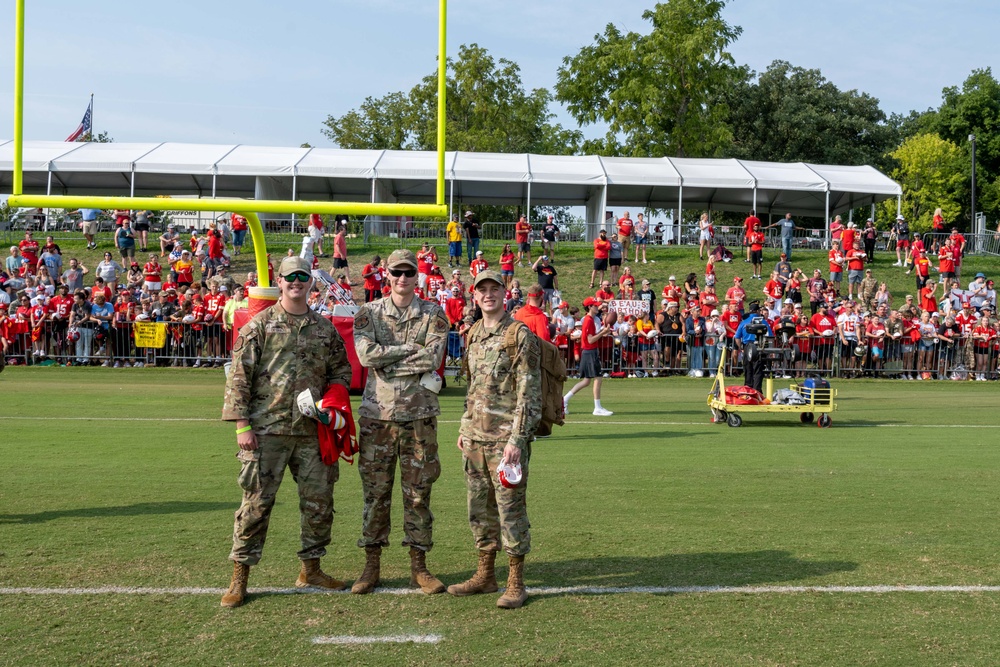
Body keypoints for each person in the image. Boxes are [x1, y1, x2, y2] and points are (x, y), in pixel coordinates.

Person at [220, 256, 353, 609]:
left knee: (319, 504)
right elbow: (239, 378)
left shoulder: (324, 328)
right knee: (255, 506)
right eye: (290, 276)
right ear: (279, 281)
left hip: (312, 431)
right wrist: (242, 425)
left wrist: (333, 401)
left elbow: (342, 372)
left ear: (312, 283)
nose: (296, 282)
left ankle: (311, 569)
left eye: (303, 277)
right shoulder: (259, 325)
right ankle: (240, 577)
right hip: (267, 431)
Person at [350, 249, 450, 596]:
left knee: (419, 495)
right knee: (375, 495)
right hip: (378, 418)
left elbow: (434, 356)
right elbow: (365, 356)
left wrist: (388, 360)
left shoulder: (434, 313)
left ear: (417, 276)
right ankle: (371, 565)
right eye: (397, 272)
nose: (403, 278)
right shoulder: (370, 313)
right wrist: (411, 351)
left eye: (409, 272)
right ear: (387, 275)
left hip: (419, 417)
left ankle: (419, 567)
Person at [448, 268, 540, 609]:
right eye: (482, 289)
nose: (488, 294)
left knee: (510, 510)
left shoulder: (518, 335)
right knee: (479, 510)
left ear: (505, 294)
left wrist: (517, 439)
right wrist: (464, 425)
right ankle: (485, 575)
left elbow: (529, 392)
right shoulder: (472, 334)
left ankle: (516, 581)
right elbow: (472, 388)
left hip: (506, 441)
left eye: (494, 289)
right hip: (474, 437)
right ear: (474, 296)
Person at [564, 297, 614, 416]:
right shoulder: (588, 320)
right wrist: (602, 332)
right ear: (590, 307)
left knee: (586, 381)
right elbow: (590, 340)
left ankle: (564, 400)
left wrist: (602, 332)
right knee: (598, 378)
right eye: (595, 305)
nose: (598, 307)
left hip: (589, 351)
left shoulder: (589, 319)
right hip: (589, 351)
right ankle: (597, 408)